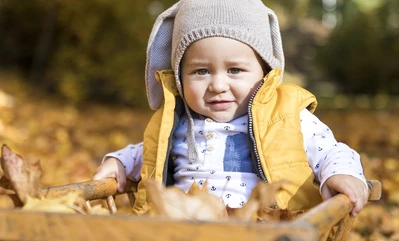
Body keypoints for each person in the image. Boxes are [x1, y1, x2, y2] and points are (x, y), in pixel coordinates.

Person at [93, 0, 369, 217]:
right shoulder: (178, 123)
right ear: (179, 77)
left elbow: (332, 152)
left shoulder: (287, 116)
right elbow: (146, 153)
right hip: (184, 232)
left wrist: (341, 174)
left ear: (264, 71)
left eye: (235, 70)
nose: (217, 85)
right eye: (201, 71)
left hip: (265, 231)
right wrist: (118, 162)